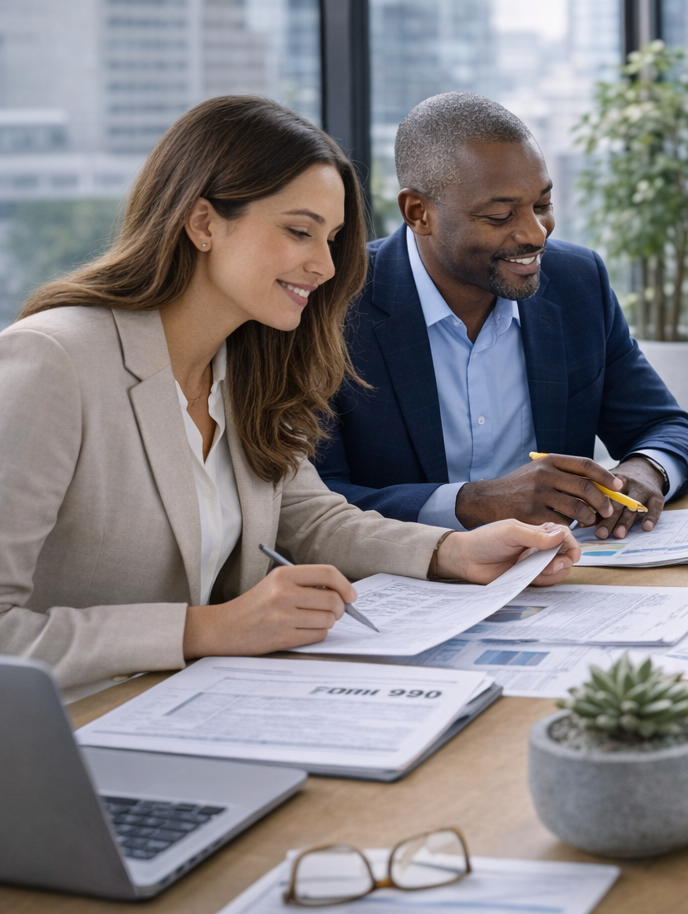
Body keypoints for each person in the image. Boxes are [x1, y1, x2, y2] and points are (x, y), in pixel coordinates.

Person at [0, 96, 579, 698]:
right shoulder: (51, 361)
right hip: (62, 737)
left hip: (193, 709)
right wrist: (207, 629)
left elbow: (309, 518)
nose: (325, 267)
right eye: (299, 232)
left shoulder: (250, 363)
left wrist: (454, 551)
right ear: (202, 223)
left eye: (331, 239)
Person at [314, 92, 688, 540]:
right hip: (400, 585)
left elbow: (666, 427)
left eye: (542, 205)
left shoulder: (578, 281)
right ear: (418, 213)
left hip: (560, 579)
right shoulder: (333, 306)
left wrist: (644, 470)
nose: (536, 234)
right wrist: (472, 503)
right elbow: (314, 501)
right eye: (501, 215)